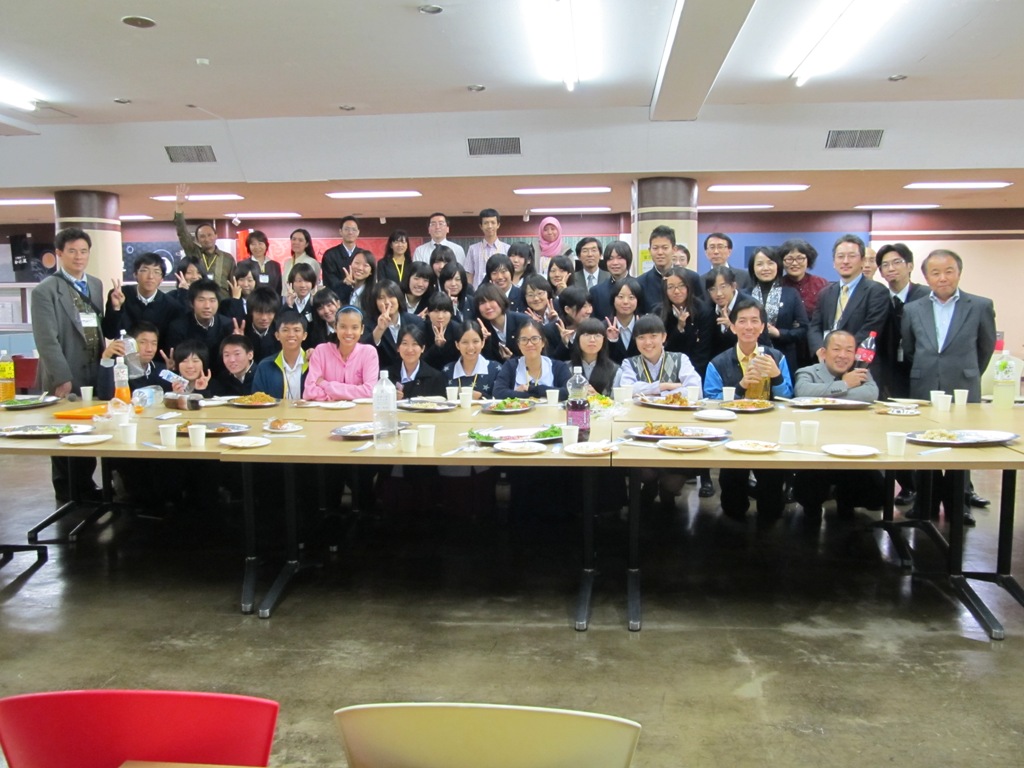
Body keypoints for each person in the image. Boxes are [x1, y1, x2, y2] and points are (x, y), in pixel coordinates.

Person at [903, 249, 997, 525]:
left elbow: (986, 347)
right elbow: (910, 348)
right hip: (924, 383)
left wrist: (968, 372)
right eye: (935, 273)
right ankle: (925, 503)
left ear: (959, 273)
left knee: (962, 444)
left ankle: (959, 505)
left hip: (963, 384)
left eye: (948, 271)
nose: (942, 278)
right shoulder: (912, 309)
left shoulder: (979, 305)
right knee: (923, 443)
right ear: (926, 277)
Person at [704, 299, 794, 524]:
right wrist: (740, 386)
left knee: (772, 508)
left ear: (763, 327)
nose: (749, 327)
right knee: (733, 508)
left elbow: (788, 399)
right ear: (733, 327)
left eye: (755, 321)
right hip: (733, 431)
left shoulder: (777, 358)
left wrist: (776, 376)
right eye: (742, 321)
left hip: (770, 430)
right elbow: (711, 402)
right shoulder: (718, 362)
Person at [792, 330, 883, 522]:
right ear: (824, 352)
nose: (843, 355)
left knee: (877, 491)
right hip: (816, 448)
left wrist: (824, 395)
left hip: (853, 444)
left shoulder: (861, 372)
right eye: (836, 349)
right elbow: (803, 392)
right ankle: (812, 507)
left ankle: (847, 503)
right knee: (809, 487)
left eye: (849, 350)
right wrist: (844, 384)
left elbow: (870, 394)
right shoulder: (808, 372)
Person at [808, 235, 891, 359]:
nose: (845, 261)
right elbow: (815, 327)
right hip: (827, 362)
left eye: (852, 256)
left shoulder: (876, 291)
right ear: (834, 263)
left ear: (862, 261)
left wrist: (841, 353)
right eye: (840, 256)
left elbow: (871, 329)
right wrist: (820, 350)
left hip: (860, 361)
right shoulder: (825, 293)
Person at [747, 245, 809, 375]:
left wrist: (779, 333)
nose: (765, 268)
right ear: (752, 268)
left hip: (784, 357)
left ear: (778, 266)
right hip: (749, 358)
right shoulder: (745, 295)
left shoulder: (791, 294)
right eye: (760, 264)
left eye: (770, 263)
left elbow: (803, 329)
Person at [102, 252, 184, 345]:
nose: (150, 276)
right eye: (145, 270)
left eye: (156, 272)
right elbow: (109, 334)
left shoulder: (171, 306)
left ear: (162, 279)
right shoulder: (120, 295)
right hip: (124, 353)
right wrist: (116, 309)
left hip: (154, 354)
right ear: (135, 274)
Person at [303, 305, 379, 401]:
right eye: (343, 327)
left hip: (358, 410)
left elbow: (370, 392)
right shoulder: (320, 351)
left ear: (362, 329)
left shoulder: (369, 353)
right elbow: (309, 392)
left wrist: (325, 384)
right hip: (326, 410)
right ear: (335, 327)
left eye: (354, 327)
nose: (348, 332)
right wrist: (355, 392)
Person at [617, 316, 701, 397]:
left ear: (664, 337)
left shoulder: (680, 359)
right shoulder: (629, 363)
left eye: (653, 336)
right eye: (641, 337)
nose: (648, 342)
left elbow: (696, 391)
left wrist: (661, 396)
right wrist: (663, 386)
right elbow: (626, 390)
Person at [173, 184, 235, 294]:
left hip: (222, 301)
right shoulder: (193, 253)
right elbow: (182, 233)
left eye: (209, 235)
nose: (206, 239)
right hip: (197, 298)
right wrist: (179, 207)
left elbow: (233, 284)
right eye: (202, 236)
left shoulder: (228, 258)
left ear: (216, 236)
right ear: (197, 239)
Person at [492, 318, 571, 400]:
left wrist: (530, 389)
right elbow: (498, 392)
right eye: (524, 340)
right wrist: (532, 395)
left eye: (534, 339)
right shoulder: (510, 366)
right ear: (518, 345)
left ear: (543, 342)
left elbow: (568, 391)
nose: (529, 344)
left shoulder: (559, 367)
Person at [165, 278, 234, 370]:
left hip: (220, 375)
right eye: (201, 300)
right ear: (191, 303)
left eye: (212, 300)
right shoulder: (178, 327)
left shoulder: (228, 325)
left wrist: (237, 341)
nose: (207, 306)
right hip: (190, 374)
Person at [658, 267, 715, 377]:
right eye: (671, 287)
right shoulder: (658, 312)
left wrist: (689, 378)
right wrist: (679, 329)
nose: (676, 291)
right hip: (666, 373)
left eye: (681, 286)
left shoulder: (704, 311)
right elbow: (663, 349)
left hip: (696, 372)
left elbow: (702, 352)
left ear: (689, 287)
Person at [362, 280, 426, 370]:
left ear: (398, 298)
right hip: (382, 374)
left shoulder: (416, 322)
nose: (387, 302)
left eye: (391, 296)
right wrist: (379, 329)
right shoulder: (368, 323)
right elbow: (364, 351)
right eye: (381, 298)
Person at [95, 321, 169, 400]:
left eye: (154, 343)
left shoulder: (161, 370)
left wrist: (173, 371)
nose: (149, 349)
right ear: (130, 343)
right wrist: (106, 358)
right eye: (143, 342)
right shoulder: (119, 369)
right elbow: (105, 396)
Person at [251, 309, 309, 400]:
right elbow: (257, 400)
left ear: (304, 335)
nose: (291, 334)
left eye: (296, 330)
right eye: (285, 330)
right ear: (277, 335)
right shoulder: (265, 366)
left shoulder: (313, 364)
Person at [442, 320, 502, 399]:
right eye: (465, 342)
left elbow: (501, 400)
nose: (470, 347)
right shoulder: (448, 370)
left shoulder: (495, 369)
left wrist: (481, 397)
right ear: (457, 345)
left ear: (482, 343)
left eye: (475, 341)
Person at [474, 283, 530, 362]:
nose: (487, 307)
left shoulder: (523, 322)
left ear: (501, 300)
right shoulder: (479, 328)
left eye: (491, 300)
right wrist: (483, 341)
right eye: (482, 303)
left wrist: (512, 359)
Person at [391, 325, 447, 400]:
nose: (410, 350)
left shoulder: (435, 378)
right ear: (398, 348)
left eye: (415, 344)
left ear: (423, 348)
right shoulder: (387, 377)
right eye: (405, 343)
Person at [780, 238, 829, 319]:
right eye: (789, 259)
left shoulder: (821, 284)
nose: (794, 263)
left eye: (800, 258)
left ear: (808, 260)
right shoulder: (777, 285)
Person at [569, 318, 619, 396]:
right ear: (578, 339)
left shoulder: (615, 370)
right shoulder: (566, 368)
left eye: (597, 335)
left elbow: (618, 401)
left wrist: (597, 397)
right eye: (586, 335)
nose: (592, 340)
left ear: (604, 340)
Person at [589, 240, 632, 322]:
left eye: (619, 258)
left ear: (628, 259)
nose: (615, 263)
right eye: (610, 259)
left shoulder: (640, 286)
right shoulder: (596, 291)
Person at [466, 208, 509, 288]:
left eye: (493, 222)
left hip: (500, 292)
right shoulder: (473, 249)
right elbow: (469, 275)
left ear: (498, 225)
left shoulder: (507, 249)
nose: (489, 226)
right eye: (486, 223)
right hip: (478, 292)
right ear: (481, 226)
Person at [637, 225, 676, 314]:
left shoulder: (690, 278)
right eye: (655, 248)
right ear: (649, 250)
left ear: (674, 249)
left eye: (665, 248)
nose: (660, 252)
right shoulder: (640, 283)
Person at [605, 277, 643, 364]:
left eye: (631, 297)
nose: (625, 302)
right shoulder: (604, 327)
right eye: (620, 297)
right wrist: (612, 341)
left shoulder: (645, 325)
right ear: (613, 299)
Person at [321, 216, 362, 295]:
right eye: (346, 229)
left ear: (358, 232)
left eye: (354, 229)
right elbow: (329, 280)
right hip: (337, 298)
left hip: (360, 298)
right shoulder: (330, 255)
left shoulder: (363, 254)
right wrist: (343, 282)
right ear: (340, 231)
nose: (350, 232)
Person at [422, 293, 460, 369]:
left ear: (451, 313)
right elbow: (420, 361)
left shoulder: (458, 330)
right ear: (428, 312)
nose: (440, 316)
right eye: (436, 311)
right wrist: (436, 347)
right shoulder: (421, 329)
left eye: (445, 311)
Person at [244, 286, 281, 363]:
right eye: (259, 312)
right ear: (251, 312)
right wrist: (239, 341)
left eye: (269, 312)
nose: (264, 318)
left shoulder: (280, 330)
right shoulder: (242, 328)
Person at [244, 229, 283, 295]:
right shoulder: (243, 265)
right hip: (251, 300)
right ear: (248, 246)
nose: (257, 247)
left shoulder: (275, 265)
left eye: (260, 243)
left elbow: (279, 288)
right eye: (253, 244)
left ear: (266, 245)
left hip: (272, 300)